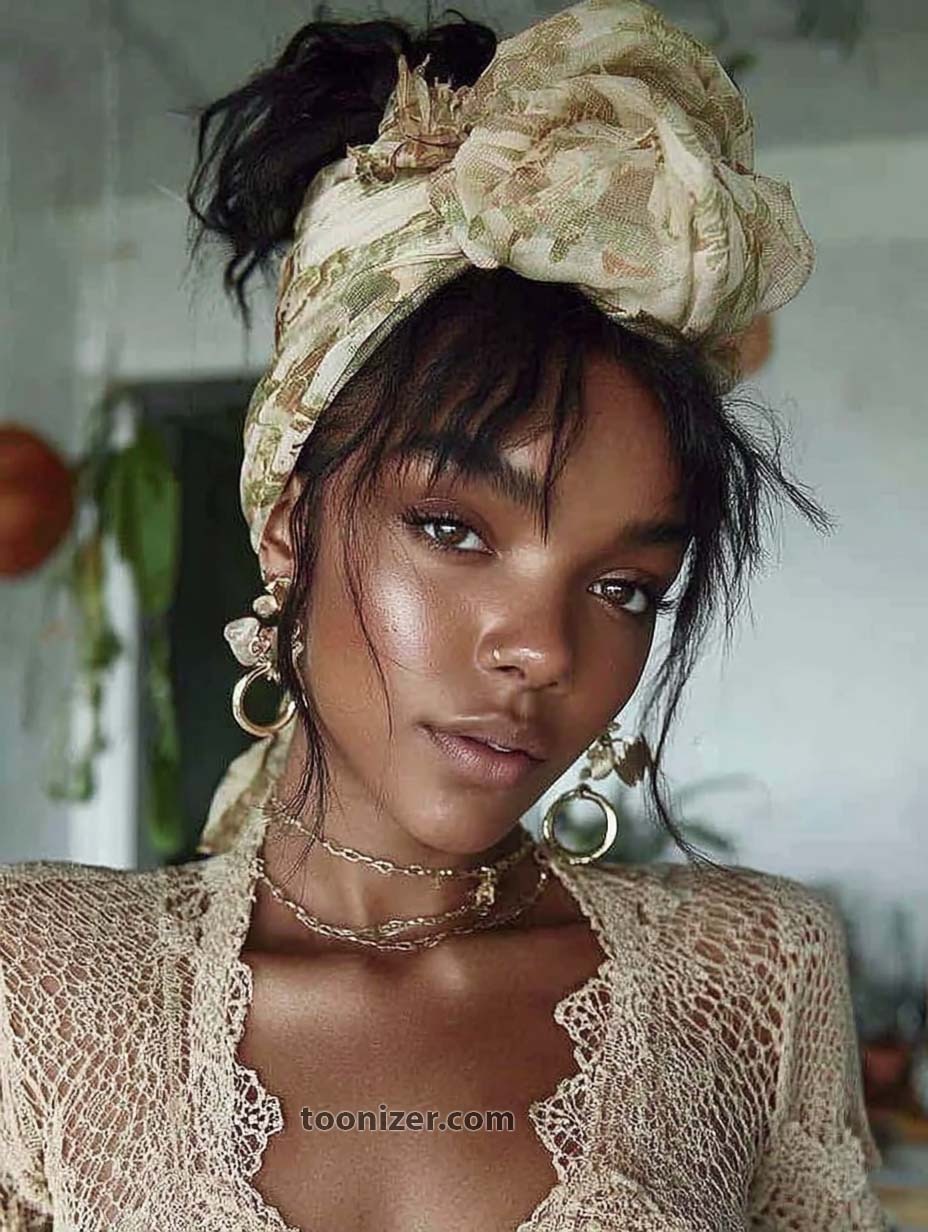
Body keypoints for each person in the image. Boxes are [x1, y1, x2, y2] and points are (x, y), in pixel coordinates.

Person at [0, 1, 890, 1228]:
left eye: (624, 586)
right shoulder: (36, 982)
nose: (542, 647)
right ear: (289, 528)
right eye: (458, 529)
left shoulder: (749, 977)